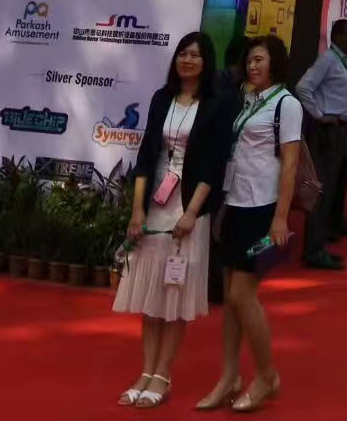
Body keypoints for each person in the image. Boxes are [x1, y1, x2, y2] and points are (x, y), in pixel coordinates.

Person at [115, 32, 231, 409]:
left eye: (195, 55)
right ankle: (145, 372)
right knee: (151, 294)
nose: (187, 60)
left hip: (189, 207)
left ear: (206, 62)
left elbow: (213, 166)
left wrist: (192, 213)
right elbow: (145, 157)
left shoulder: (215, 105)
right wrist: (137, 209)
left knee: (174, 292)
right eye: (182, 53)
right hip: (156, 204)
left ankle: (163, 375)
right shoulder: (161, 98)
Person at [197, 35, 301, 413]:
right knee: (230, 298)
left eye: (259, 60)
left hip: (263, 207)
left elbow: (289, 164)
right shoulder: (247, 100)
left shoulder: (286, 104)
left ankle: (267, 375)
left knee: (243, 295)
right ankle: (229, 376)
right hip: (236, 204)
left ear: (275, 63)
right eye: (249, 61)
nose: (252, 66)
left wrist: (280, 217)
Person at [295, 17, 347, 270]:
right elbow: (303, 88)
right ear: (338, 36)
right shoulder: (328, 60)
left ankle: (319, 244)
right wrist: (319, 114)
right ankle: (313, 250)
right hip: (327, 132)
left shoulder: (341, 61)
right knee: (321, 189)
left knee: (331, 188)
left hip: (339, 130)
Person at [210, 37, 248, 303]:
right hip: (217, 165)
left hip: (235, 166)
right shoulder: (220, 86)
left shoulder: (242, 88)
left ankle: (220, 283)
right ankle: (214, 284)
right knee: (215, 225)